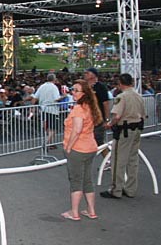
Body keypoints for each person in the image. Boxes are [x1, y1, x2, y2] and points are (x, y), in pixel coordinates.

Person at [60, 79, 103, 221]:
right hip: (90, 147)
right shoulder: (90, 107)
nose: (73, 92)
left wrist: (68, 147)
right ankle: (91, 210)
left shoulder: (79, 109)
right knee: (87, 180)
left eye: (76, 90)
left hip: (78, 149)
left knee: (76, 181)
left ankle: (74, 212)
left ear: (83, 93)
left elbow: (77, 130)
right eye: (72, 89)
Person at [100, 73, 146, 199]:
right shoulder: (139, 96)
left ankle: (116, 189)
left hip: (124, 130)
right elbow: (143, 115)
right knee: (133, 160)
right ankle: (130, 189)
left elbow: (117, 116)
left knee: (118, 160)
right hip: (136, 128)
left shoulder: (122, 97)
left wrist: (110, 124)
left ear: (120, 84)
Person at [83, 67, 111, 169]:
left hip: (98, 118)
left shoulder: (100, 87)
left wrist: (106, 119)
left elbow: (106, 103)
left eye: (88, 73)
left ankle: (109, 160)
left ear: (94, 75)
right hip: (87, 118)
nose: (85, 74)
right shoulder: (85, 87)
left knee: (98, 141)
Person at [31, 73, 60, 150]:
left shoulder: (42, 86)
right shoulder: (54, 87)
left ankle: (50, 143)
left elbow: (35, 97)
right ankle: (46, 143)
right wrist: (64, 96)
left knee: (47, 127)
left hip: (43, 109)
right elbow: (56, 98)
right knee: (53, 128)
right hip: (52, 110)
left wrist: (32, 108)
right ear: (54, 79)